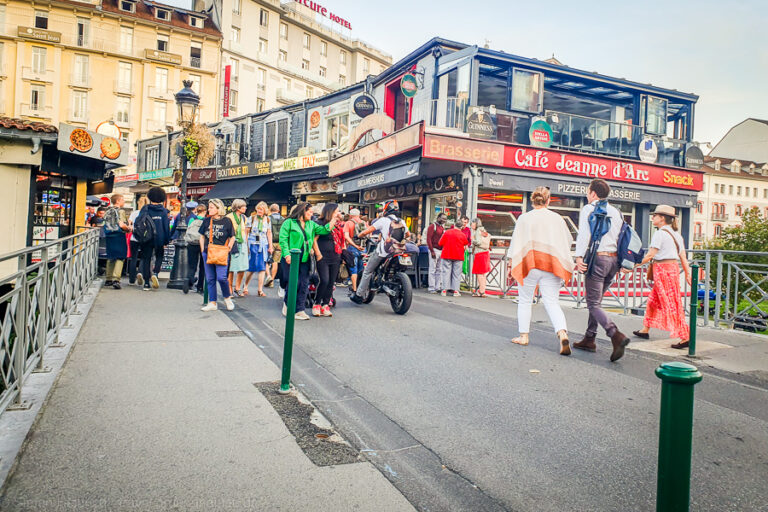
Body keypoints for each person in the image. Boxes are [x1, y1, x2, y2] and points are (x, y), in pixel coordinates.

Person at [507, 187, 574, 354]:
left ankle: (524, 336)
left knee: (525, 300)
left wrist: (510, 264)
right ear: (548, 200)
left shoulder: (524, 218)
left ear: (532, 201)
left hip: (530, 264)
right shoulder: (557, 219)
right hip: (551, 264)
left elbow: (515, 242)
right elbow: (568, 239)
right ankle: (562, 333)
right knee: (552, 301)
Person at [574, 179, 631, 362]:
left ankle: (615, 334)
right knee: (596, 301)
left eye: (587, 191)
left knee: (593, 303)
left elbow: (584, 234)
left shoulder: (589, 209)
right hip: (614, 260)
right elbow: (623, 238)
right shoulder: (617, 212)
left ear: (593, 193)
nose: (586, 194)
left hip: (597, 259)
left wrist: (579, 256)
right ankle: (589, 338)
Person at [633, 205, 692, 348]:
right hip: (672, 269)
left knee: (671, 303)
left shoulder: (660, 234)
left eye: (655, 216)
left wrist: (633, 266)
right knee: (654, 300)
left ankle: (685, 336)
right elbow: (683, 257)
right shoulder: (676, 235)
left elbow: (650, 255)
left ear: (662, 218)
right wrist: (688, 274)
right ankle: (645, 329)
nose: (652, 218)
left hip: (663, 270)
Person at [279, 202, 337, 320]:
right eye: (309, 212)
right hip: (291, 257)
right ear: (302, 211)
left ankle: (300, 310)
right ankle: (288, 304)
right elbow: (283, 240)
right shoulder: (289, 223)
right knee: (293, 282)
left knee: (304, 283)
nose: (312, 214)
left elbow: (323, 230)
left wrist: (333, 220)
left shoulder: (311, 224)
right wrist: (287, 254)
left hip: (305, 257)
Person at [350, 200, 409, 304]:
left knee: (368, 270)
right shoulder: (401, 221)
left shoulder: (383, 220)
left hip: (384, 252)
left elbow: (367, 231)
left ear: (386, 209)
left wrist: (358, 235)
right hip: (398, 251)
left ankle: (358, 295)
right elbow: (407, 234)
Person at [199, 199, 235, 312]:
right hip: (208, 252)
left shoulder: (227, 221)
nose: (209, 209)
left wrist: (228, 247)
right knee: (210, 278)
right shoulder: (206, 221)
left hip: (222, 252)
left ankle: (227, 298)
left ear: (218, 208)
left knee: (222, 277)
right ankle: (212, 302)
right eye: (209, 207)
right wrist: (202, 250)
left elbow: (232, 236)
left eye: (211, 207)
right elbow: (201, 236)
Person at [315, 203, 345, 317]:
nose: (339, 213)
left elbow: (341, 240)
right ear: (330, 211)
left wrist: (343, 254)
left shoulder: (338, 225)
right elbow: (314, 239)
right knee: (324, 280)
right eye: (337, 211)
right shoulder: (320, 223)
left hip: (335, 256)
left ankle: (325, 304)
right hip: (323, 256)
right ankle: (317, 303)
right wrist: (318, 254)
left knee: (331, 282)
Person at [138, 187, 171, 291]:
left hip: (147, 237)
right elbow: (166, 226)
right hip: (160, 237)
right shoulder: (163, 211)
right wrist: (167, 240)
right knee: (159, 256)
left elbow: (139, 222)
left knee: (147, 258)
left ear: (150, 197)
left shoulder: (145, 208)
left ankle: (146, 283)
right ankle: (156, 273)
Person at [103, 194, 131, 289]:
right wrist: (128, 229)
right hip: (119, 236)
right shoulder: (121, 211)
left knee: (111, 257)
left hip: (109, 235)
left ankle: (108, 279)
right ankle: (116, 279)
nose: (124, 202)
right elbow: (122, 224)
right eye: (122, 200)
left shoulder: (108, 211)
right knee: (120, 257)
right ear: (118, 201)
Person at [244, 201, 272, 297]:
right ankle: (245, 286)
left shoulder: (267, 220)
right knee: (251, 268)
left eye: (262, 209)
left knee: (262, 268)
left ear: (265, 210)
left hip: (263, 245)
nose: (260, 211)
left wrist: (270, 246)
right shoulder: (251, 219)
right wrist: (246, 245)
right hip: (252, 244)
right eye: (259, 209)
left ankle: (260, 290)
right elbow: (246, 232)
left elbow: (269, 233)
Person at [439, 220, 468, 297]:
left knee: (446, 272)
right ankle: (455, 291)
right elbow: (466, 243)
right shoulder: (462, 235)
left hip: (447, 254)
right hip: (458, 256)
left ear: (454, 225)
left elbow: (440, 243)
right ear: (461, 227)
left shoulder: (447, 232)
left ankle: (444, 290)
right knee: (457, 274)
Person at [227, 199, 249, 296]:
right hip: (233, 242)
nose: (246, 208)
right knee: (231, 267)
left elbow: (246, 232)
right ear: (238, 207)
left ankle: (238, 287)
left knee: (242, 267)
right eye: (244, 206)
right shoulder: (229, 217)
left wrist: (247, 245)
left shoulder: (244, 218)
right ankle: (229, 288)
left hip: (242, 243)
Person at [184, 204, 208, 293]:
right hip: (203, 244)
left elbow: (188, 229)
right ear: (205, 211)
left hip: (192, 243)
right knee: (202, 266)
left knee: (192, 265)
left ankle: (189, 280)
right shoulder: (207, 220)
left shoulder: (191, 219)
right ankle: (200, 287)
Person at [342, 208, 366, 294]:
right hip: (363, 247)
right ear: (359, 215)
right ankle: (362, 288)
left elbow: (346, 236)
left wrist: (354, 245)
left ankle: (355, 289)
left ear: (350, 215)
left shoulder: (348, 223)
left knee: (353, 269)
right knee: (362, 268)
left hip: (353, 248)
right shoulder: (363, 222)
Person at [127, 196, 149, 286]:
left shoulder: (134, 213)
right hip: (145, 238)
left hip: (134, 238)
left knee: (133, 258)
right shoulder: (148, 214)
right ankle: (140, 273)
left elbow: (129, 225)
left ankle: (132, 278)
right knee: (144, 257)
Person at [425, 213, 447, 293]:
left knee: (439, 270)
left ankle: (437, 287)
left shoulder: (442, 227)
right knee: (432, 269)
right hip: (434, 250)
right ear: (438, 218)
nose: (444, 220)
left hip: (441, 251)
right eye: (442, 218)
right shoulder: (432, 226)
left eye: (445, 219)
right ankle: (431, 287)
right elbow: (429, 239)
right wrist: (432, 251)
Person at [470, 218, 492, 297]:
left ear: (476, 224)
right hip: (485, 253)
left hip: (480, 254)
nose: (471, 225)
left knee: (479, 273)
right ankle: (483, 290)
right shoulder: (483, 230)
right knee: (483, 274)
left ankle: (481, 292)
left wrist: (472, 240)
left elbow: (478, 242)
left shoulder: (477, 232)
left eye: (472, 223)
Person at [267, 204, 284, 291]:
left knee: (266, 260)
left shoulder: (268, 218)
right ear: (278, 210)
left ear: (270, 209)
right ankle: (272, 280)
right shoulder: (283, 219)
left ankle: (268, 277)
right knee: (275, 262)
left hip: (270, 241)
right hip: (279, 243)